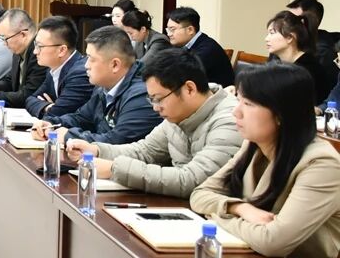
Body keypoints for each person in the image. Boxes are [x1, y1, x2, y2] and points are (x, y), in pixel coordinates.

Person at [190, 63, 340, 258]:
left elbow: (273, 242)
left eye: (248, 104)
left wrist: (214, 218)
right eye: (238, 100)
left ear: (281, 114)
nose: (236, 112)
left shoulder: (322, 164)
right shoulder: (254, 144)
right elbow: (199, 195)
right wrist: (239, 208)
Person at [65, 48, 242, 197]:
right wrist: (96, 150)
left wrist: (114, 169)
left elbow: (191, 180)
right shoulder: (178, 115)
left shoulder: (230, 120)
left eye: (158, 99)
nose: (155, 108)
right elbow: (145, 151)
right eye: (151, 100)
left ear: (189, 89)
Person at [32, 25, 161, 145]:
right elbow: (81, 118)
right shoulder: (103, 88)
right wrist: (50, 123)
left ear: (115, 65)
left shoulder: (142, 95)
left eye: (91, 59)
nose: (86, 65)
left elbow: (116, 141)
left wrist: (68, 136)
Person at [25, 16, 92, 118]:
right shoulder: (52, 69)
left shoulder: (80, 74)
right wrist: (47, 107)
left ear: (62, 50)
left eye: (40, 46)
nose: (35, 51)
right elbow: (30, 100)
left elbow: (57, 114)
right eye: (35, 45)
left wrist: (50, 108)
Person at [265, 11, 332, 104]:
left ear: (290, 38)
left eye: (272, 33)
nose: (266, 39)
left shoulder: (308, 69)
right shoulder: (275, 61)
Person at [165, 7, 235, 87]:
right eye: (168, 30)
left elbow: (180, 75)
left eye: (172, 29)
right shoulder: (182, 45)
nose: (169, 34)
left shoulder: (207, 50)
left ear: (190, 30)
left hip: (216, 93)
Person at [287, 0, 339, 88]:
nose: (284, 23)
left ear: (307, 22)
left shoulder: (322, 52)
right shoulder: (284, 43)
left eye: (291, 19)